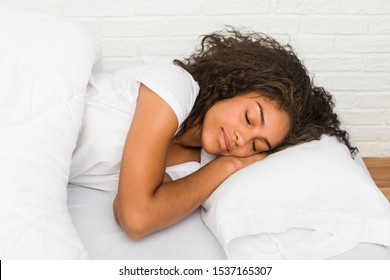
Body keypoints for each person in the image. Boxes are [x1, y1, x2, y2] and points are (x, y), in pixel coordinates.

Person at [70, 28, 356, 240]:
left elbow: (128, 213)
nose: (241, 139)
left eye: (257, 144)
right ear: (232, 87)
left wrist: (225, 165)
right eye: (249, 117)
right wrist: (229, 164)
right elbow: (137, 216)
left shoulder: (194, 169)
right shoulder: (175, 86)